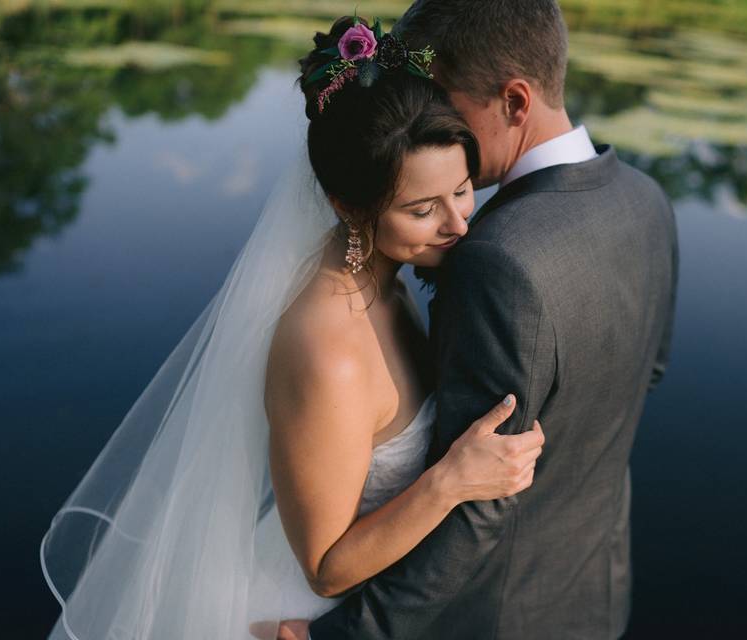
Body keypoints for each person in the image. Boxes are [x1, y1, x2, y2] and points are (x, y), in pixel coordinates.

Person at [39, 15, 545, 640]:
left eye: (463, 191)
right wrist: (451, 481)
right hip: (288, 621)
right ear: (349, 205)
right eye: (422, 209)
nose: (458, 224)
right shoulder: (327, 350)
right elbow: (326, 568)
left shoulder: (385, 285)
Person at [292, 1, 680, 638]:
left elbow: (479, 506)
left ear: (514, 102)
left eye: (441, 100)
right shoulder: (645, 197)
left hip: (492, 616)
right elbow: (647, 372)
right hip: (597, 592)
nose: (432, 122)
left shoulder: (496, 258)